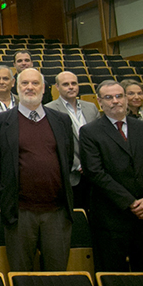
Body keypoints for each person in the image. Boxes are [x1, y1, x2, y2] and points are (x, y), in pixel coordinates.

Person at [0, 68, 74, 272]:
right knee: (21, 275)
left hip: (56, 212)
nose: (30, 87)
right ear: (17, 88)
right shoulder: (0, 122)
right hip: (20, 213)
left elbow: (66, 159)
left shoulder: (61, 120)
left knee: (57, 275)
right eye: (24, 83)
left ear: (44, 88)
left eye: (35, 83)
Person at [79, 80, 143, 272]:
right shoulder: (90, 132)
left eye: (119, 96)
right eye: (109, 97)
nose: (115, 101)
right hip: (112, 217)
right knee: (113, 279)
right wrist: (131, 202)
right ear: (99, 102)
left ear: (126, 99)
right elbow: (95, 173)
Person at [45, 71, 101, 208]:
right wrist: (79, 165)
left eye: (74, 83)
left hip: (96, 173)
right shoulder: (49, 110)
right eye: (65, 84)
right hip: (72, 175)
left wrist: (92, 163)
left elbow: (101, 137)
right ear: (57, 87)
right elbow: (53, 143)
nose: (71, 87)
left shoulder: (91, 107)